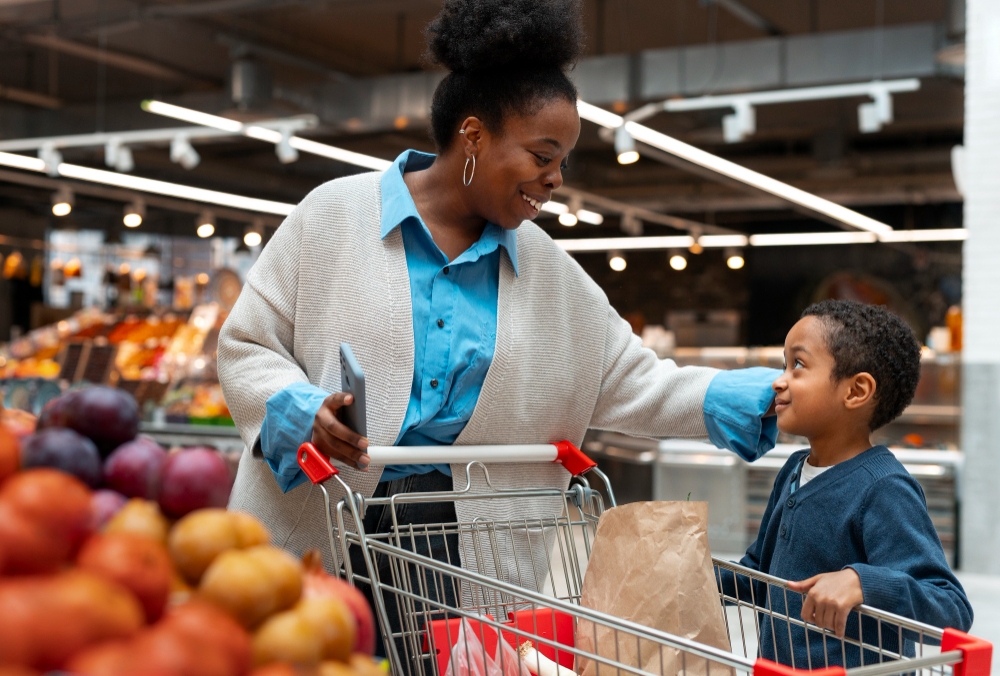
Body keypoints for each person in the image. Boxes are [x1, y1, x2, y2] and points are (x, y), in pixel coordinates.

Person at [217, 0, 777, 656]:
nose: (556, 179)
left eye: (563, 159)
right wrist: (302, 412)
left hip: (456, 551)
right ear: (475, 136)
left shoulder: (550, 272)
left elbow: (631, 379)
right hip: (319, 511)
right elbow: (248, 344)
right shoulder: (333, 216)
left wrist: (755, 396)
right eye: (543, 154)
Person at [726, 300, 972, 668]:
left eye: (798, 365)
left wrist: (862, 583)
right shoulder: (794, 470)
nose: (779, 380)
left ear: (856, 391)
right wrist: (691, 573)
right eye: (783, 365)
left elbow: (950, 606)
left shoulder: (883, 489)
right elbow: (759, 572)